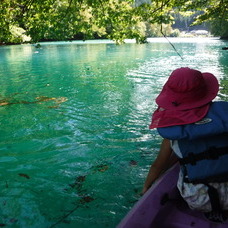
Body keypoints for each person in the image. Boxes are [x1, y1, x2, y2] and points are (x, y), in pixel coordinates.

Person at [142, 67, 228, 222]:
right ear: (206, 93)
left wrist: (146, 188)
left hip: (197, 200)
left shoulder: (173, 131)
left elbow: (158, 165)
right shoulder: (223, 117)